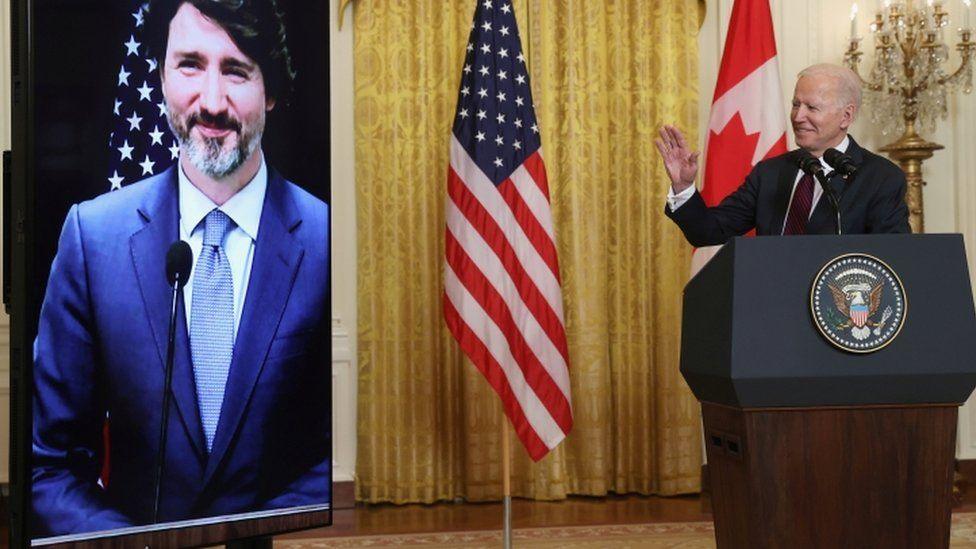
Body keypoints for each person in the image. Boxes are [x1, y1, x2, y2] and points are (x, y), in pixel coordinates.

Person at [31, 0, 330, 537]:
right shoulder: (91, 239)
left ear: (273, 91)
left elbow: (328, 459)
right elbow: (48, 467)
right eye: (190, 64)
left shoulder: (325, 238)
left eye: (236, 70)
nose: (211, 102)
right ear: (162, 75)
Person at [655, 63, 910, 246]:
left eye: (812, 107)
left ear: (846, 116)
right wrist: (683, 186)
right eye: (796, 104)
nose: (798, 117)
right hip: (770, 307)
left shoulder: (881, 178)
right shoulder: (769, 173)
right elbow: (708, 232)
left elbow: (893, 258)